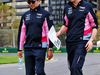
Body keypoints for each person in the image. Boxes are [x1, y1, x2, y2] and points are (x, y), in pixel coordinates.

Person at [56, 0, 98, 75]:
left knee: (76, 67)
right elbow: (66, 25)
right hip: (70, 41)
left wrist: (91, 40)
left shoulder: (88, 6)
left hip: (82, 41)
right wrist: (58, 33)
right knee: (72, 68)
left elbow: (94, 26)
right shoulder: (67, 7)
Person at [17, 0, 53, 75]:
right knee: (29, 73)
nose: (31, 4)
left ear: (38, 1)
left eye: (33, 2)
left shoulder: (45, 14)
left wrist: (50, 48)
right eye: (29, 2)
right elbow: (22, 33)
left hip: (40, 47)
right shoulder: (25, 15)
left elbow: (50, 32)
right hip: (28, 48)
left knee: (39, 72)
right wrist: (19, 49)